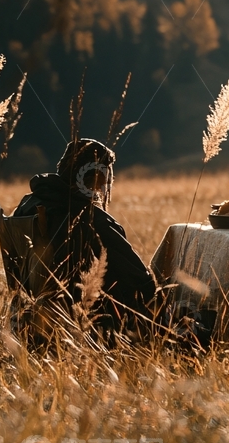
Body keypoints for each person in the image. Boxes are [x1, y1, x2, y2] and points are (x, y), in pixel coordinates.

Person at [12, 138, 156, 335]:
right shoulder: (87, 217)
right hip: (88, 313)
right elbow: (136, 276)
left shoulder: (28, 204)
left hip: (35, 307)